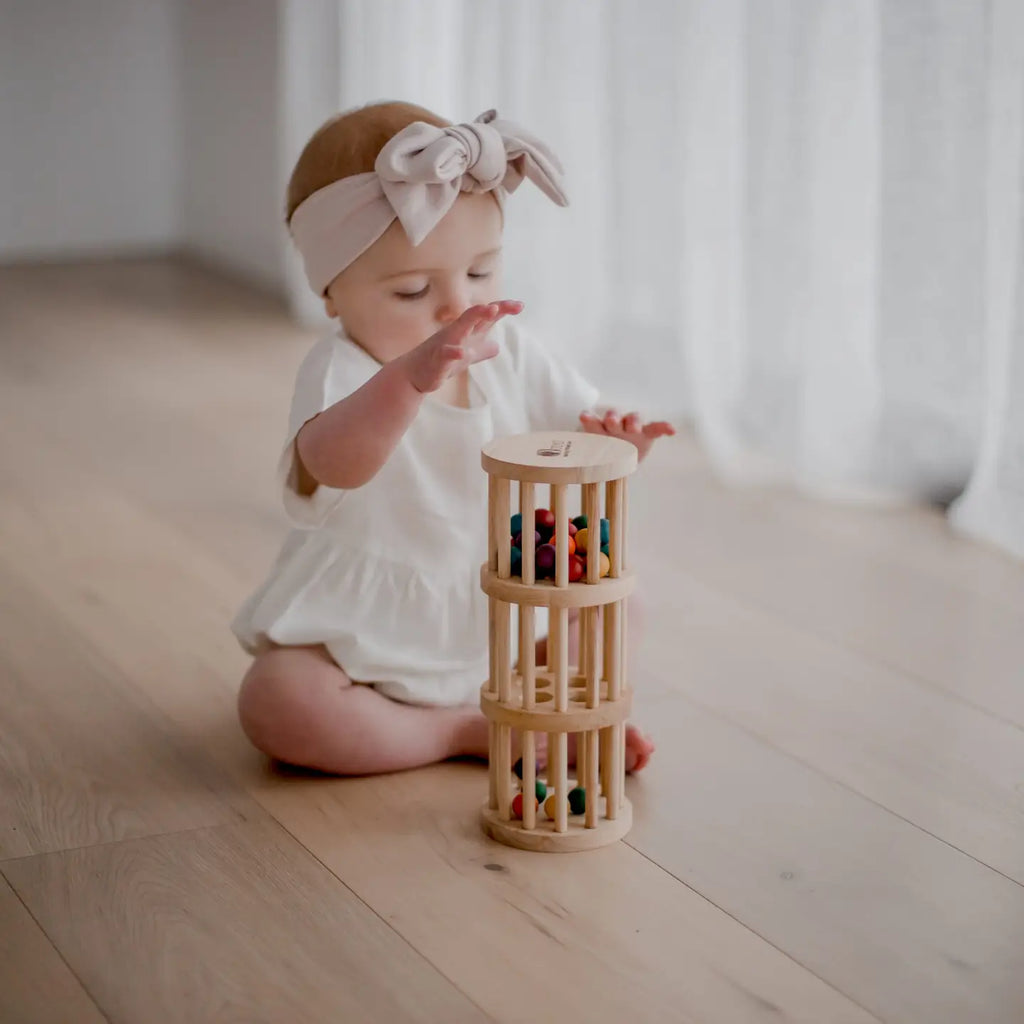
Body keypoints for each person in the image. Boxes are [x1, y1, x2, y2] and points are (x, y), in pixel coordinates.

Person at [232, 101, 673, 776]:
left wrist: (618, 443)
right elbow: (332, 465)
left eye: (479, 273)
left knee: (621, 598)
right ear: (331, 294)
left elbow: (576, 435)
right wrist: (406, 383)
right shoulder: (342, 367)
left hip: (507, 611)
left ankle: (559, 709)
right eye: (411, 290)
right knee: (278, 701)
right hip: (371, 632)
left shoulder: (513, 350)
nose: (457, 307)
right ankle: (461, 731)